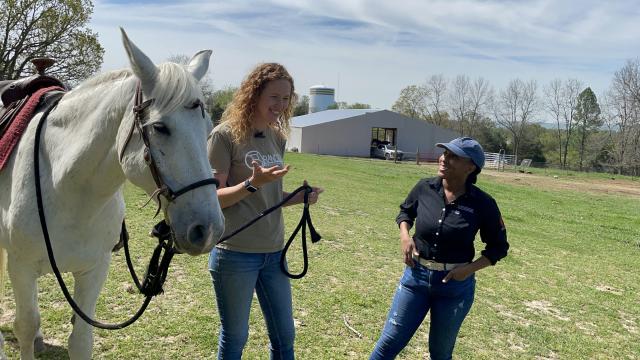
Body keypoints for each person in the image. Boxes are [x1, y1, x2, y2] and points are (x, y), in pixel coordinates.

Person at [207, 63, 323, 360]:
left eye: (286, 98)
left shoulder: (277, 137)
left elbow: (271, 196)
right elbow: (214, 199)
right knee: (235, 338)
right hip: (235, 252)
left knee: (285, 337)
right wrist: (251, 183)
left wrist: (300, 197)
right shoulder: (224, 136)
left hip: (274, 252)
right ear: (254, 94)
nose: (280, 105)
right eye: (274, 97)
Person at [370, 137, 509, 360]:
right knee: (388, 344)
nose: (444, 159)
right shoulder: (424, 187)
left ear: (471, 167)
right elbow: (405, 212)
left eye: (453, 156)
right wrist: (404, 235)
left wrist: (468, 270)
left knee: (440, 352)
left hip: (454, 288)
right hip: (415, 278)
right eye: (444, 153)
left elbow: (498, 247)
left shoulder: (483, 203)